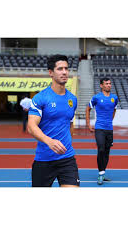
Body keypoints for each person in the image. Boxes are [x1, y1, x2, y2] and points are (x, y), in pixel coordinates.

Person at [27, 54, 80, 187]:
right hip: (44, 160)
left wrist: (67, 144)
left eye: (66, 69)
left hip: (67, 159)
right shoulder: (40, 98)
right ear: (51, 72)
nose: (64, 72)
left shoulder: (72, 99)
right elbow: (31, 127)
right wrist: (49, 141)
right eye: (60, 69)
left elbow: (70, 124)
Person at [86, 77, 118, 185]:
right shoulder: (96, 97)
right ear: (101, 86)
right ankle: (100, 173)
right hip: (99, 128)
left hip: (109, 129)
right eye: (106, 84)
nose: (109, 85)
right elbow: (88, 108)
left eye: (110, 83)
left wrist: (109, 121)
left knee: (107, 152)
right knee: (101, 149)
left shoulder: (114, 98)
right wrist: (88, 124)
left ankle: (103, 172)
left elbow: (114, 110)